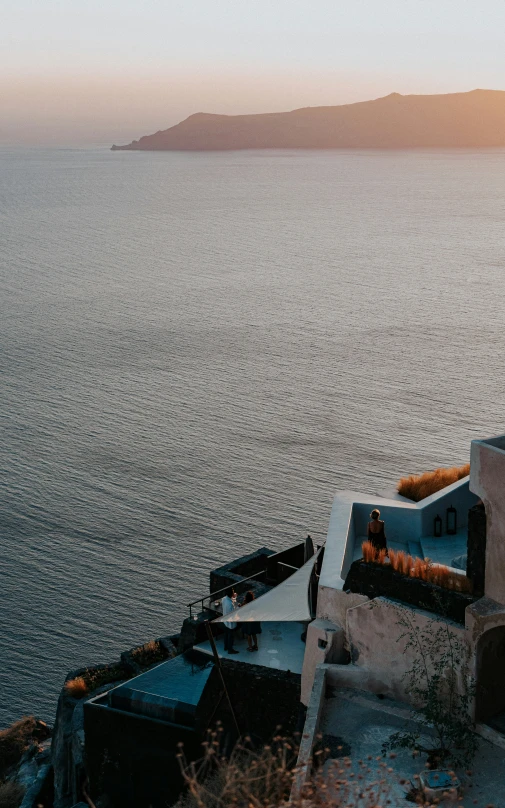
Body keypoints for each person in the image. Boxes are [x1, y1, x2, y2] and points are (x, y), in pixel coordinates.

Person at [221, 588, 238, 654]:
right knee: (231, 636)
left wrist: (234, 598)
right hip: (230, 622)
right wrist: (237, 606)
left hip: (225, 620)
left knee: (226, 634)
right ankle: (230, 649)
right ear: (231, 594)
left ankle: (226, 646)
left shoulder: (224, 599)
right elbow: (233, 612)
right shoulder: (230, 604)